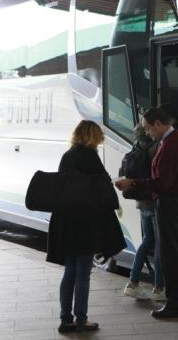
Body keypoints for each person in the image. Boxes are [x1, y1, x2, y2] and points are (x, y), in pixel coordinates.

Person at [115, 107, 178, 319]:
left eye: (147, 128)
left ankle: (175, 304)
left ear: (158, 124)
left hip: (171, 202)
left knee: (170, 253)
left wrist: (131, 182)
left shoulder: (170, 145)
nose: (147, 133)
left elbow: (162, 184)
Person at [47, 120, 125, 333]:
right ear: (93, 136)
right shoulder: (89, 156)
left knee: (69, 271)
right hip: (84, 222)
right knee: (83, 273)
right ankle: (81, 319)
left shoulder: (68, 155)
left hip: (65, 220)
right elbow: (103, 184)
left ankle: (65, 319)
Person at [121, 123, 165, 301]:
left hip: (141, 202)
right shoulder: (157, 149)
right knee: (159, 244)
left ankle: (133, 282)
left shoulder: (135, 148)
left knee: (147, 240)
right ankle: (159, 287)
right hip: (154, 201)